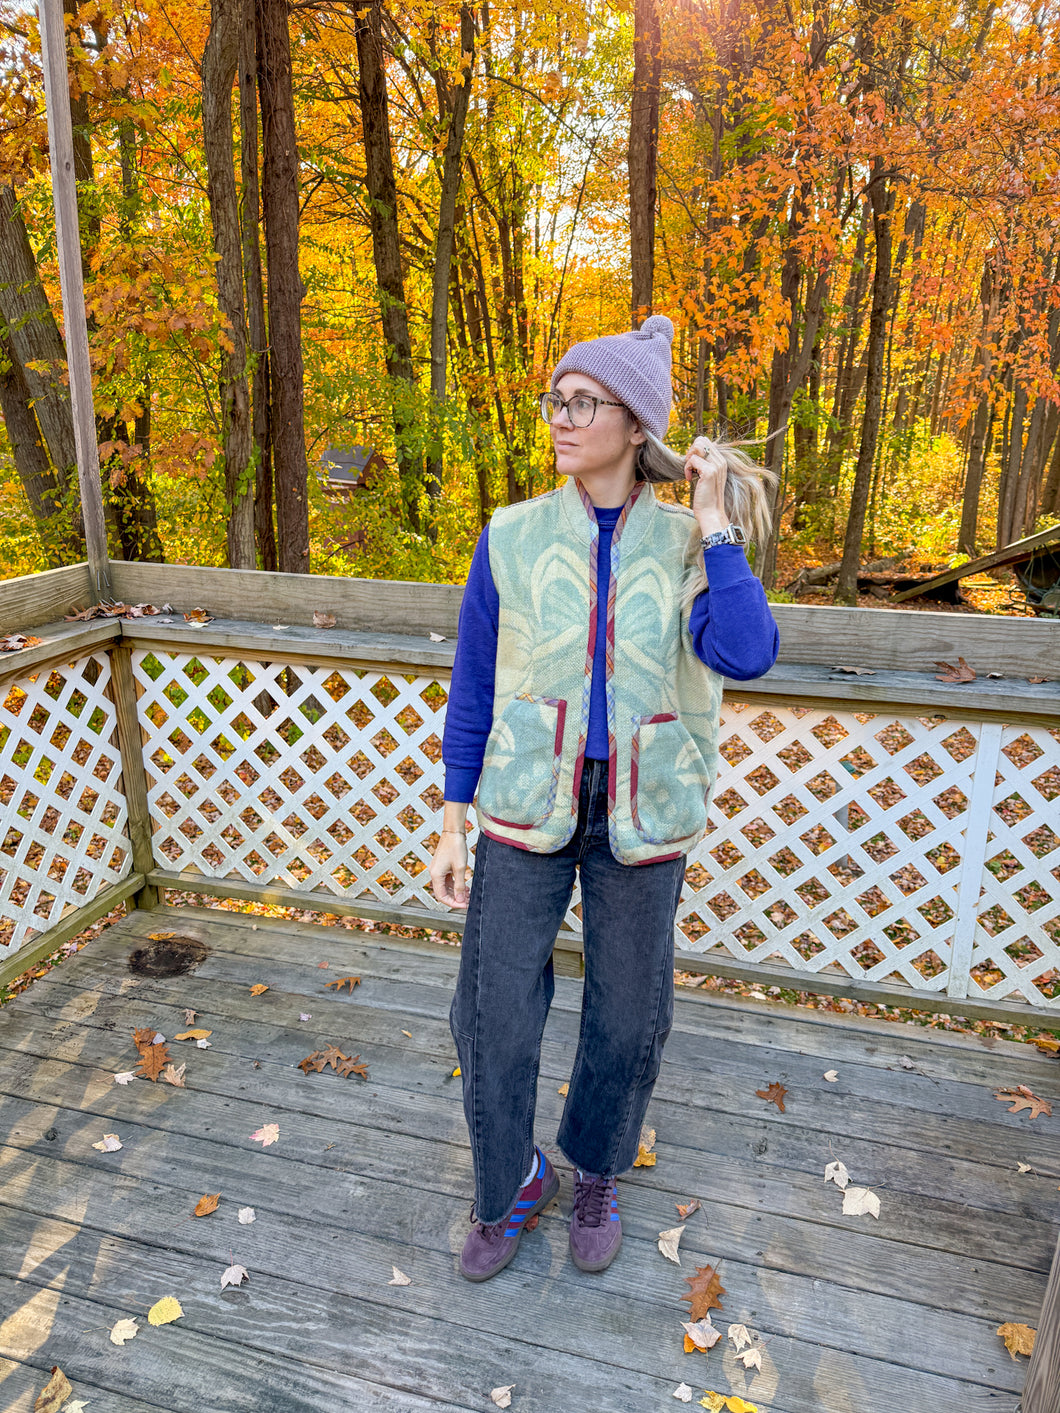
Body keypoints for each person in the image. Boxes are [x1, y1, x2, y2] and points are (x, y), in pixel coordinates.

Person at [429, 314, 779, 1283]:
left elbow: (746, 651)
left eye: (583, 403)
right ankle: (511, 1181)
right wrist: (451, 821)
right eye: (557, 399)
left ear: (635, 425)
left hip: (643, 805)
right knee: (491, 1014)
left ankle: (595, 1169)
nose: (560, 417)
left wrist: (715, 522)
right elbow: (472, 684)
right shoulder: (511, 535)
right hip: (523, 800)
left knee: (628, 1017)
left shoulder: (686, 543)